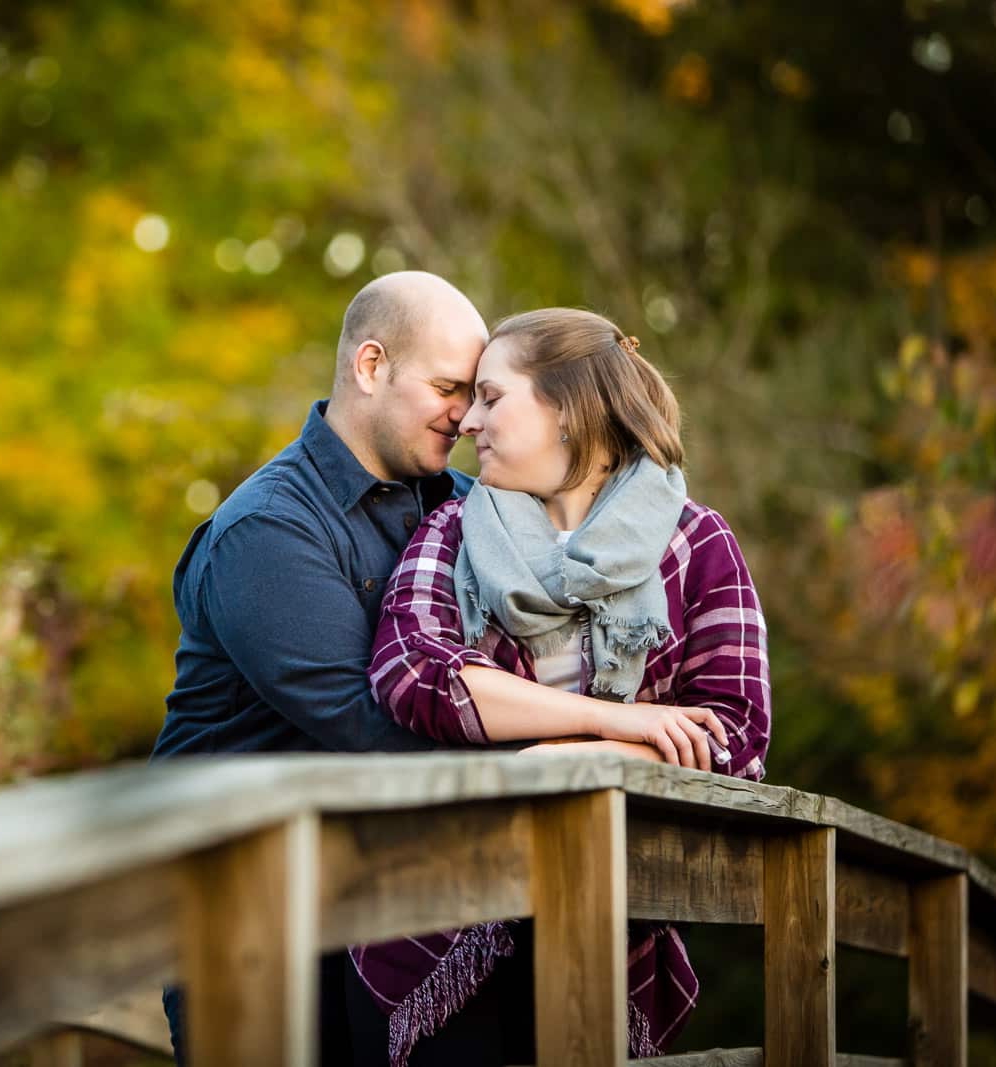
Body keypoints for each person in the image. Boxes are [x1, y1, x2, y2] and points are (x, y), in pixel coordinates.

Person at [345, 307, 772, 1066]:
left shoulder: (697, 543)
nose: (468, 421)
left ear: (569, 410)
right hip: (456, 896)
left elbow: (734, 737)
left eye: (492, 396)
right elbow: (411, 672)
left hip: (606, 901)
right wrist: (626, 727)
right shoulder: (451, 530)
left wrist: (567, 759)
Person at [150, 271, 491, 1064]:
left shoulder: (471, 506)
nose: (467, 416)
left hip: (396, 902)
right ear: (370, 367)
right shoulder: (266, 531)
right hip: (248, 908)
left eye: (475, 394)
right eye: (448, 388)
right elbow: (370, 723)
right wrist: (566, 751)